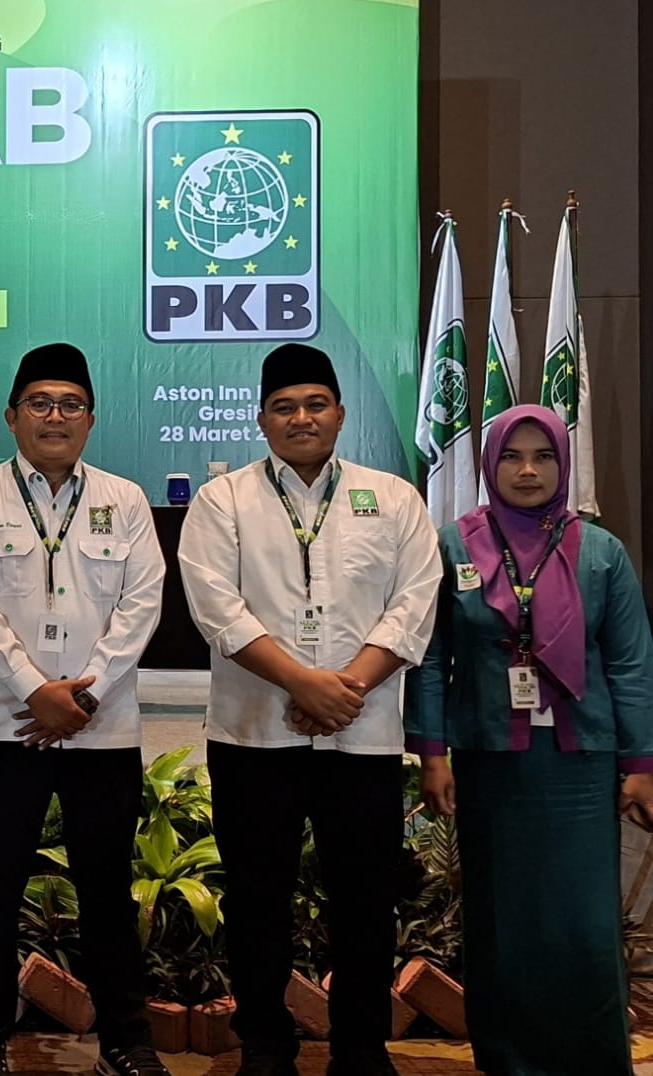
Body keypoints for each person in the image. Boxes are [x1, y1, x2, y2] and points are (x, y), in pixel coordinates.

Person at [176, 343, 439, 1076]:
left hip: (362, 737)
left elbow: (415, 603)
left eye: (315, 404)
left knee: (365, 900)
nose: (301, 418)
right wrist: (302, 683)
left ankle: (361, 1048)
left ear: (340, 414)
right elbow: (216, 609)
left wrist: (343, 687)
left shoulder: (394, 499)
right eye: (285, 406)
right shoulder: (223, 501)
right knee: (257, 900)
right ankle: (265, 1046)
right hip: (254, 736)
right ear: (262, 419)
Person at [0, 344, 171, 1076]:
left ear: (91, 420)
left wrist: (85, 693)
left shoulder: (124, 500)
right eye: (39, 403)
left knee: (107, 891)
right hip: (6, 725)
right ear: (11, 416)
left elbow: (142, 604)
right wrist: (34, 690)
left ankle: (126, 1041)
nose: (55, 416)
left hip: (103, 729)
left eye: (71, 404)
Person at [406, 405, 653, 1076]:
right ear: (490, 465)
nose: (527, 470)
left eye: (543, 456)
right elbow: (427, 658)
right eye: (511, 456)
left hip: (581, 765)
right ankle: (509, 1061)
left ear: (561, 465)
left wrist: (639, 763)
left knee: (582, 921)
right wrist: (431, 752)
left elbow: (630, 663)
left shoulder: (600, 552)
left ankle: (592, 1061)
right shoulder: (453, 546)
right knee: (502, 919)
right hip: (488, 760)